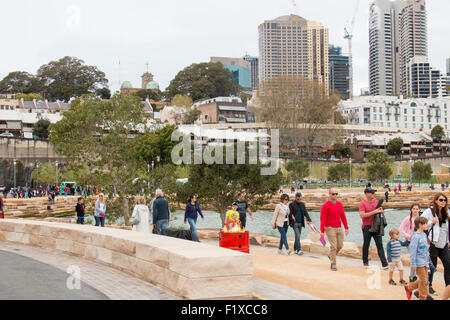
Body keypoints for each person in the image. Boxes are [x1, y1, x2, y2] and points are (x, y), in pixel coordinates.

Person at [420, 193, 450, 293]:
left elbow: (446, 229)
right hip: (433, 243)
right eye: (441, 200)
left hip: (444, 243)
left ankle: (448, 287)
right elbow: (419, 222)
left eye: (445, 200)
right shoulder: (429, 212)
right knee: (432, 266)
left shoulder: (447, 212)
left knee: (448, 264)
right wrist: (430, 223)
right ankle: (429, 286)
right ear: (436, 201)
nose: (443, 202)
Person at [359, 188, 389, 270]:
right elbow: (362, 215)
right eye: (371, 192)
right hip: (366, 226)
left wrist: (381, 211)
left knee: (379, 244)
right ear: (366, 194)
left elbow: (381, 212)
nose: (373, 194)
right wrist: (375, 212)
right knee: (366, 244)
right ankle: (365, 262)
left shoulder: (377, 202)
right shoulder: (362, 203)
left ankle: (384, 263)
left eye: (373, 192)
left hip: (377, 226)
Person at [320, 188, 349, 271]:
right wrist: (322, 231)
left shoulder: (340, 204)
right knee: (333, 246)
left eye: (336, 194)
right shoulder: (325, 206)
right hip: (329, 228)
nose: (335, 195)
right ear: (329, 194)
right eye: (333, 194)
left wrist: (346, 227)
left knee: (340, 245)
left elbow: (343, 216)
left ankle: (331, 256)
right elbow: (322, 219)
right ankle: (333, 263)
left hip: (339, 227)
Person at [404, 216, 431, 301]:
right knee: (423, 282)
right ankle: (422, 297)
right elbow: (413, 251)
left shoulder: (423, 234)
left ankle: (409, 288)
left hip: (425, 262)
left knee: (425, 280)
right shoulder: (415, 236)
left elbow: (425, 250)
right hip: (419, 262)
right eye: (425, 224)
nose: (427, 225)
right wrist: (413, 264)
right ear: (420, 225)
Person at [399, 203, 421, 282]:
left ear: (419, 210)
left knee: (419, 258)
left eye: (417, 209)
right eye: (414, 208)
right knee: (413, 258)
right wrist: (408, 236)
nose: (415, 210)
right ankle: (412, 276)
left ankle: (416, 275)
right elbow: (401, 229)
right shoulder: (408, 218)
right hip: (410, 241)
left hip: (419, 241)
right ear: (411, 210)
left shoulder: (421, 219)